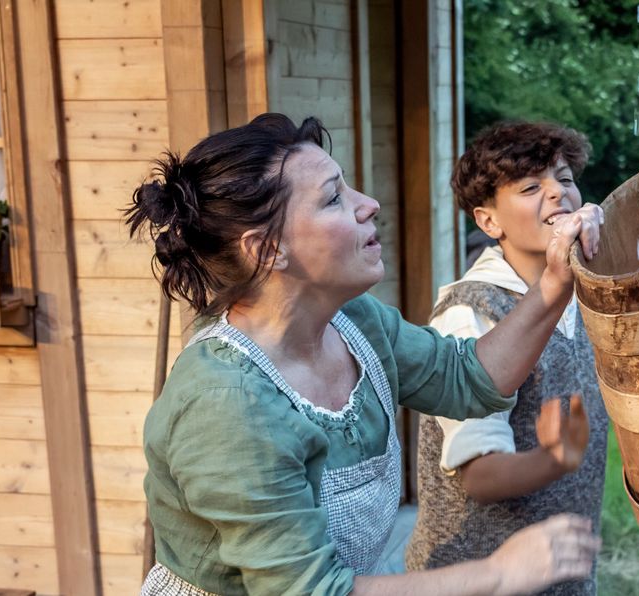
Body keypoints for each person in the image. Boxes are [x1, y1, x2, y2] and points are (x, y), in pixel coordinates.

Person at [127, 113, 603, 595]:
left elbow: (470, 377)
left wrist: (554, 282)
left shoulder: (355, 322)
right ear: (267, 249)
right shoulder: (226, 404)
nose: (368, 204)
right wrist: (499, 574)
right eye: (334, 197)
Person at [405, 121, 608, 596]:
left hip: (560, 571)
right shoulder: (470, 313)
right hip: (477, 577)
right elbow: (480, 473)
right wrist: (554, 460)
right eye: (531, 186)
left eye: (566, 179)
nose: (558, 194)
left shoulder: (582, 290)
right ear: (489, 221)